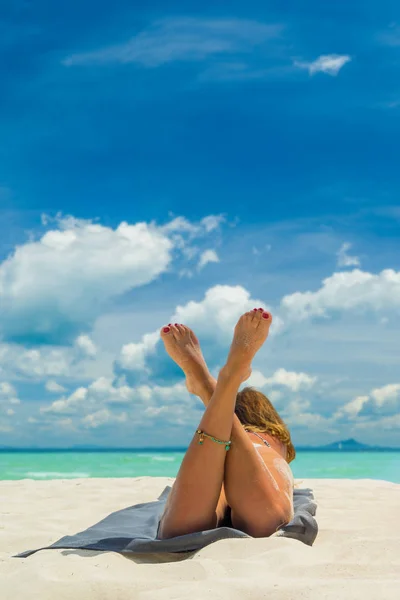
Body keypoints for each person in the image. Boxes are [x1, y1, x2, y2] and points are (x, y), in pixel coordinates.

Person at [157, 307, 296, 540]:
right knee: (267, 522)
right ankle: (221, 381)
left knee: (178, 531)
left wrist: (220, 407)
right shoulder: (272, 437)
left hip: (207, 465)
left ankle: (207, 385)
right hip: (258, 463)